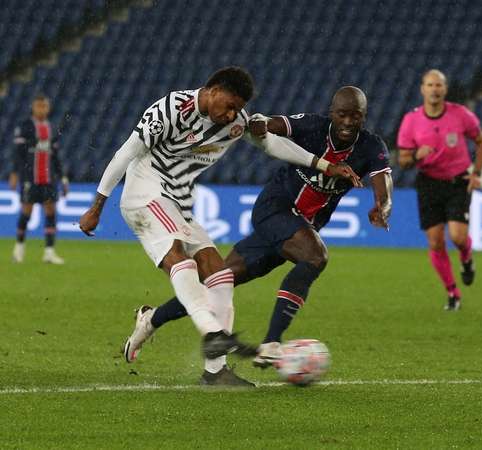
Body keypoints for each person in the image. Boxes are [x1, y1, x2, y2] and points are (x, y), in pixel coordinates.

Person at [78, 67, 361, 386]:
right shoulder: (170, 109)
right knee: (180, 258)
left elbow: (272, 144)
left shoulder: (237, 121)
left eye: (236, 109)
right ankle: (212, 332)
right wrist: (97, 205)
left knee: (220, 273)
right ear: (213, 91)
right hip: (144, 192)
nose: (230, 115)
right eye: (228, 106)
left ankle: (213, 371)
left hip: (176, 202)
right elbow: (126, 153)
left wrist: (325, 166)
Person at [397, 69, 482, 311]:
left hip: (457, 182)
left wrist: (477, 173)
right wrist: (417, 154)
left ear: (445, 89)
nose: (434, 89)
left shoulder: (460, 115)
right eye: (430, 85)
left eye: (439, 85)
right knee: (436, 242)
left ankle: (466, 258)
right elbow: (403, 161)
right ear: (423, 89)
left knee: (458, 238)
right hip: (428, 183)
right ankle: (452, 292)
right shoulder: (411, 120)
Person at [10, 94, 68, 264]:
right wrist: (14, 173)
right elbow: (18, 153)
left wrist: (63, 179)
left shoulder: (52, 128)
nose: (41, 109)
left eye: (44, 106)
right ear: (33, 107)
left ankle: (49, 252)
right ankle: (19, 249)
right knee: (26, 212)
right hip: (30, 177)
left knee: (50, 211)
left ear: (48, 108)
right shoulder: (25, 127)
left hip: (48, 178)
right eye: (38, 106)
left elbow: (56, 158)